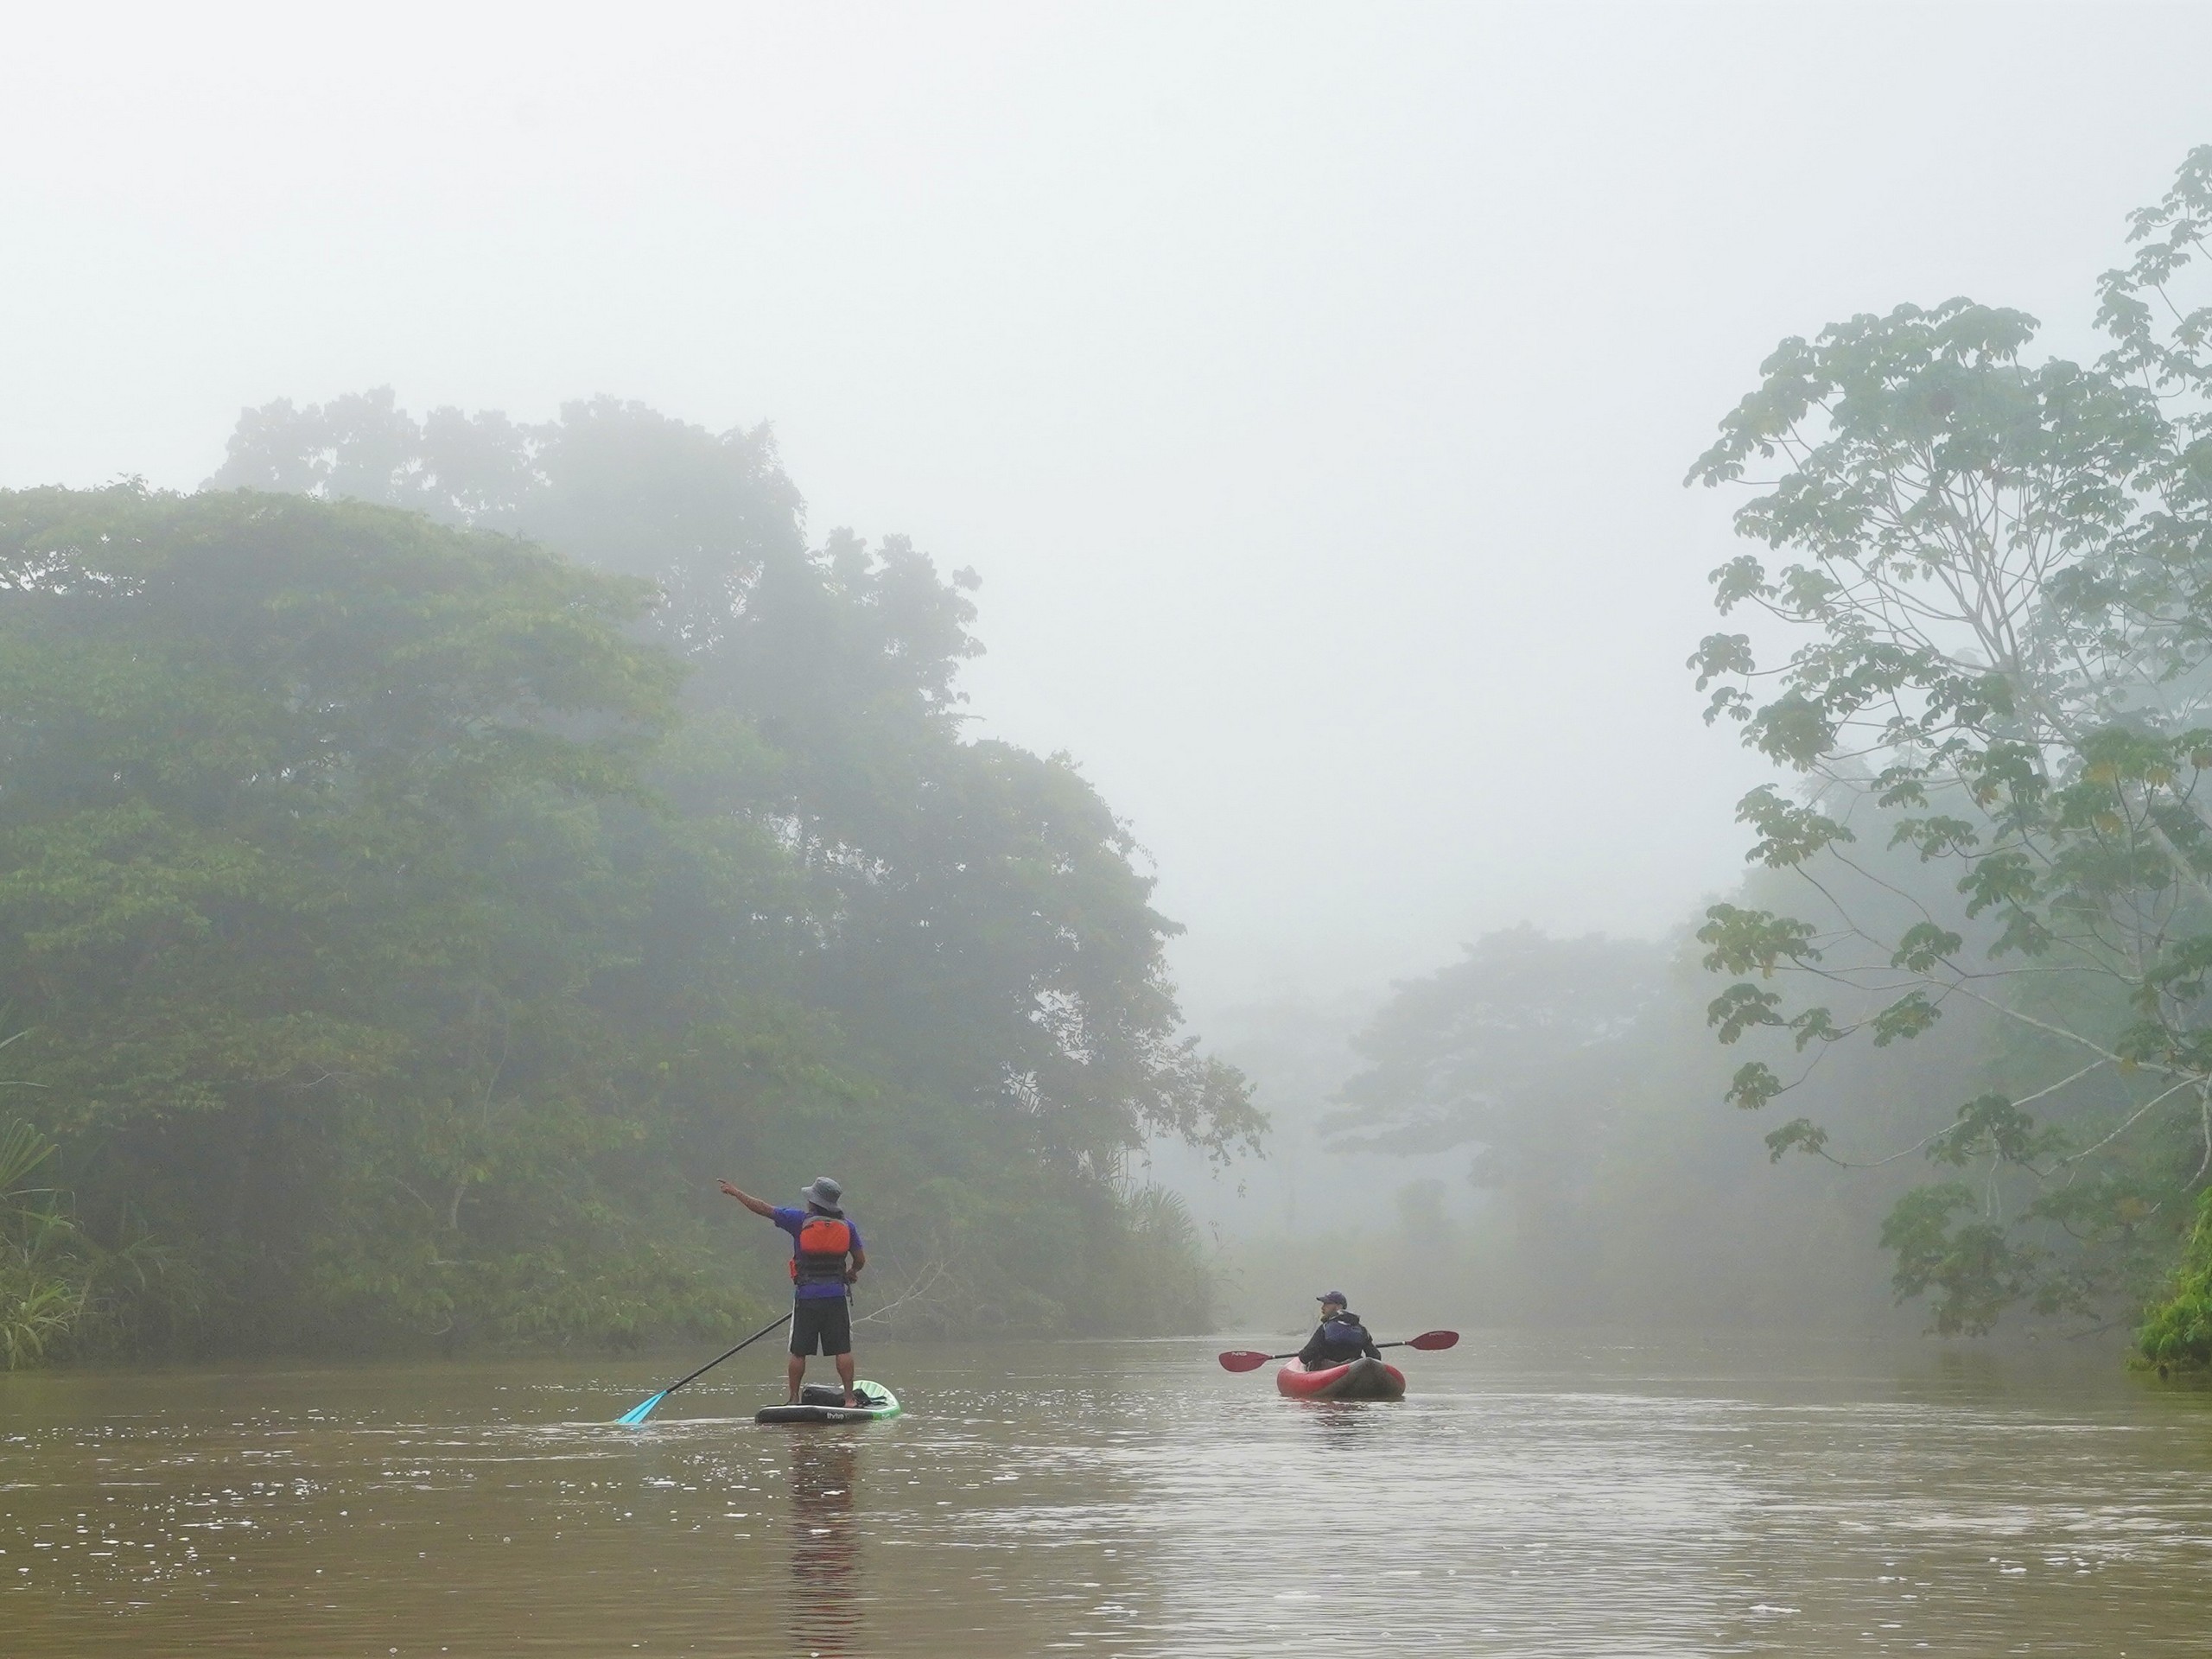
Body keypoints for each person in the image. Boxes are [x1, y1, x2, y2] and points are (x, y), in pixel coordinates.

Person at [719, 1174, 866, 1406]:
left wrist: (737, 1193)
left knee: (799, 1352)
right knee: (843, 1349)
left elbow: (763, 1208)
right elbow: (860, 1259)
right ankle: (849, 1399)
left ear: (813, 1202)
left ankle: (794, 1400)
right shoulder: (848, 1227)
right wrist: (852, 1272)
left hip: (806, 1298)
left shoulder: (798, 1221)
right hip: (836, 1297)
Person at [1296, 1290, 1381, 1369]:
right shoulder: (1361, 1329)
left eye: (1327, 1304)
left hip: (1330, 1374)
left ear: (1339, 1307)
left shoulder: (1325, 1328)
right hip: (1354, 1370)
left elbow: (1306, 1357)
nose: (1323, 1308)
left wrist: (1301, 1354)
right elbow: (1375, 1356)